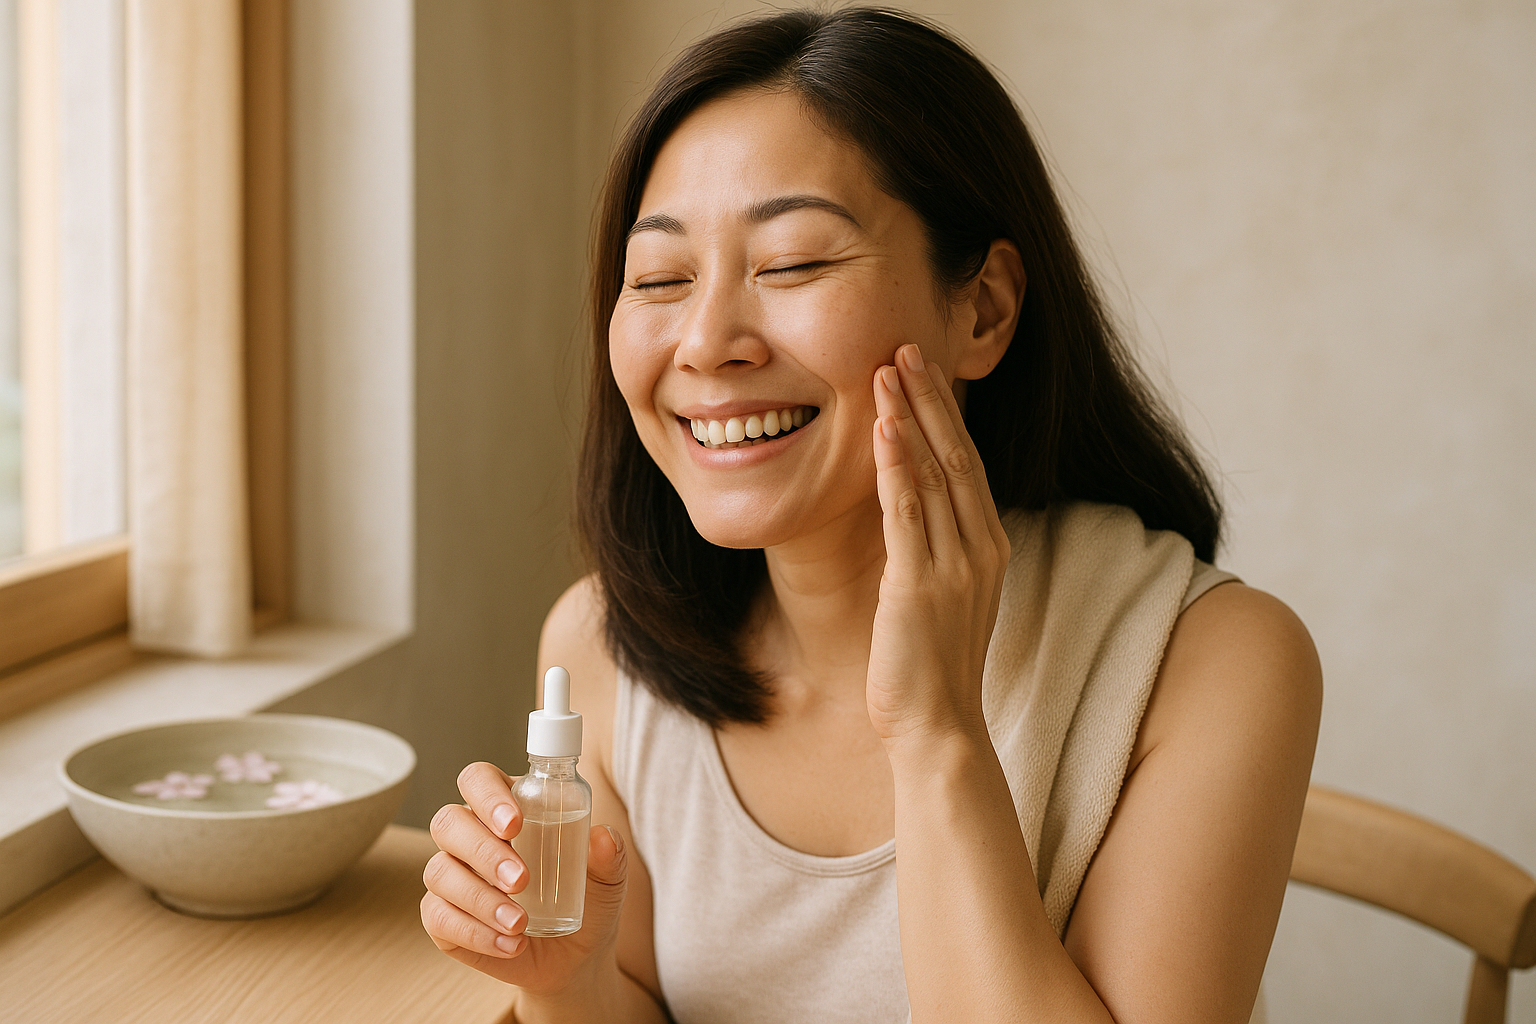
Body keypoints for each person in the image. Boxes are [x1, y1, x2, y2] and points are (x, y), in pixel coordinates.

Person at [420, 8, 1322, 1023]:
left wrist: (937, 734)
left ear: (981, 310)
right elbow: (626, 998)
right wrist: (568, 983)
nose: (708, 341)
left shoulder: (1210, 660)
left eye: (795, 263)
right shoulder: (602, 644)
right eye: (661, 279)